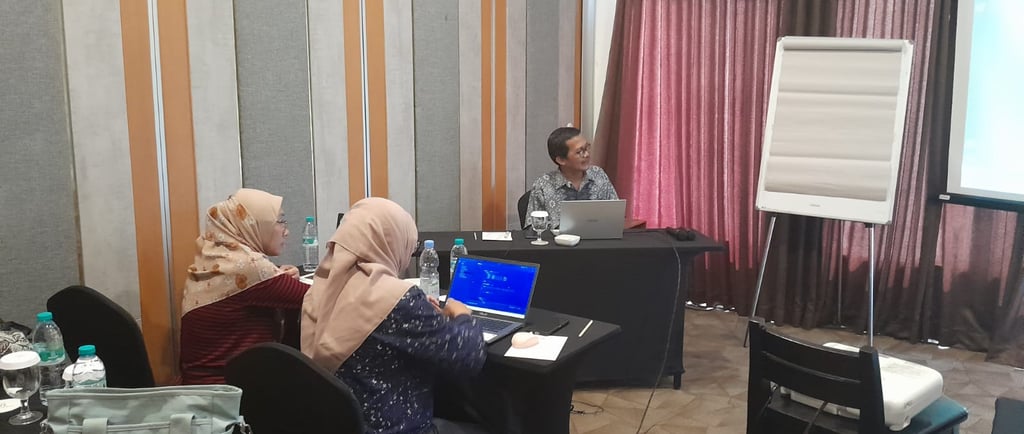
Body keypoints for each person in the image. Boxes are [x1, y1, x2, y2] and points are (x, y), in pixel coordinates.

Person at [302, 197, 488, 434]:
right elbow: (469, 355)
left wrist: (421, 313)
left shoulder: (319, 289)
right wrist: (463, 316)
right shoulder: (398, 300)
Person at [179, 188, 309, 385]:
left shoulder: (217, 256)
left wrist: (281, 279)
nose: (286, 231)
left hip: (200, 384)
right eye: (280, 221)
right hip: (228, 390)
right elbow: (317, 299)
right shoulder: (250, 267)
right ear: (251, 224)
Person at [526, 126, 619, 228]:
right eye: (580, 152)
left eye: (587, 148)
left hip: (599, 237)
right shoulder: (543, 185)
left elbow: (615, 215)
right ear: (561, 160)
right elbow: (533, 228)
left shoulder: (598, 175)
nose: (587, 154)